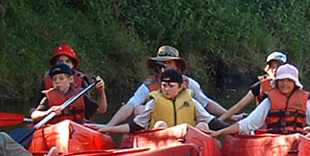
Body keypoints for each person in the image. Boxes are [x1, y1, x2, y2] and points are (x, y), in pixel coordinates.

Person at [97, 45, 227, 133]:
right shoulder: (150, 86)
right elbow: (131, 109)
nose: (163, 68)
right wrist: (110, 127)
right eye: (161, 64)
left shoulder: (189, 88)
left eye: (168, 63)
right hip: (160, 131)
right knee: (141, 110)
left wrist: (232, 125)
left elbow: (207, 105)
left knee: (203, 125)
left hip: (187, 132)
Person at [212, 64, 310, 138]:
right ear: (277, 82)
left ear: (295, 83)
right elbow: (247, 124)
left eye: (288, 80)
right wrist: (220, 132)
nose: (284, 84)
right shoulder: (269, 101)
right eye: (281, 80)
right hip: (274, 142)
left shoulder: (303, 101)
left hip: (297, 140)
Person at [27, 64, 111, 155]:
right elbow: (34, 115)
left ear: (70, 79)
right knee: (38, 134)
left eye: (61, 78)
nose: (57, 82)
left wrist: (101, 91)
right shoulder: (49, 97)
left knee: (103, 133)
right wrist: (48, 112)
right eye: (54, 80)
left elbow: (102, 109)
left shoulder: (79, 94)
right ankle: (52, 154)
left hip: (77, 132)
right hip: (54, 134)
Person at [131, 67, 214, 131]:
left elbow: (210, 120)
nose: (167, 89)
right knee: (160, 124)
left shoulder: (192, 102)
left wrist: (224, 130)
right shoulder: (153, 103)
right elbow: (135, 125)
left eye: (171, 86)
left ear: (180, 87)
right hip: (164, 141)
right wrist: (117, 129)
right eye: (164, 85)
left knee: (203, 125)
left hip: (187, 139)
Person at [219, 51, 287, 120]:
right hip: (262, 122)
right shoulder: (260, 85)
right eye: (273, 67)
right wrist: (218, 121)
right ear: (268, 69)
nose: (275, 70)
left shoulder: (293, 87)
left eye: (278, 67)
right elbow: (239, 106)